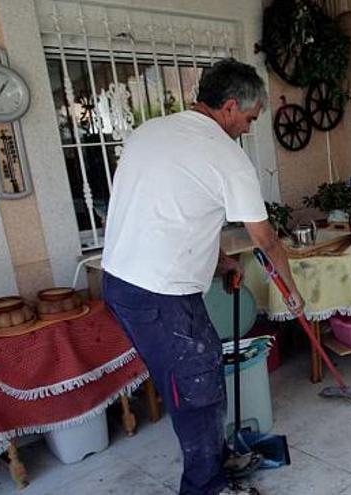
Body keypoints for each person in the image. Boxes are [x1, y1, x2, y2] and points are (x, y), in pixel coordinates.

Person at [101, 58, 303, 495]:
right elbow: (266, 240)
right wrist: (292, 292)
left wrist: (219, 262)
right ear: (230, 107)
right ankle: (206, 485)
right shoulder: (227, 157)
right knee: (197, 389)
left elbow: (170, 212)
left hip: (123, 283)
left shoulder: (150, 132)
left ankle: (216, 456)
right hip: (159, 294)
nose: (249, 129)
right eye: (249, 119)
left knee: (203, 367)